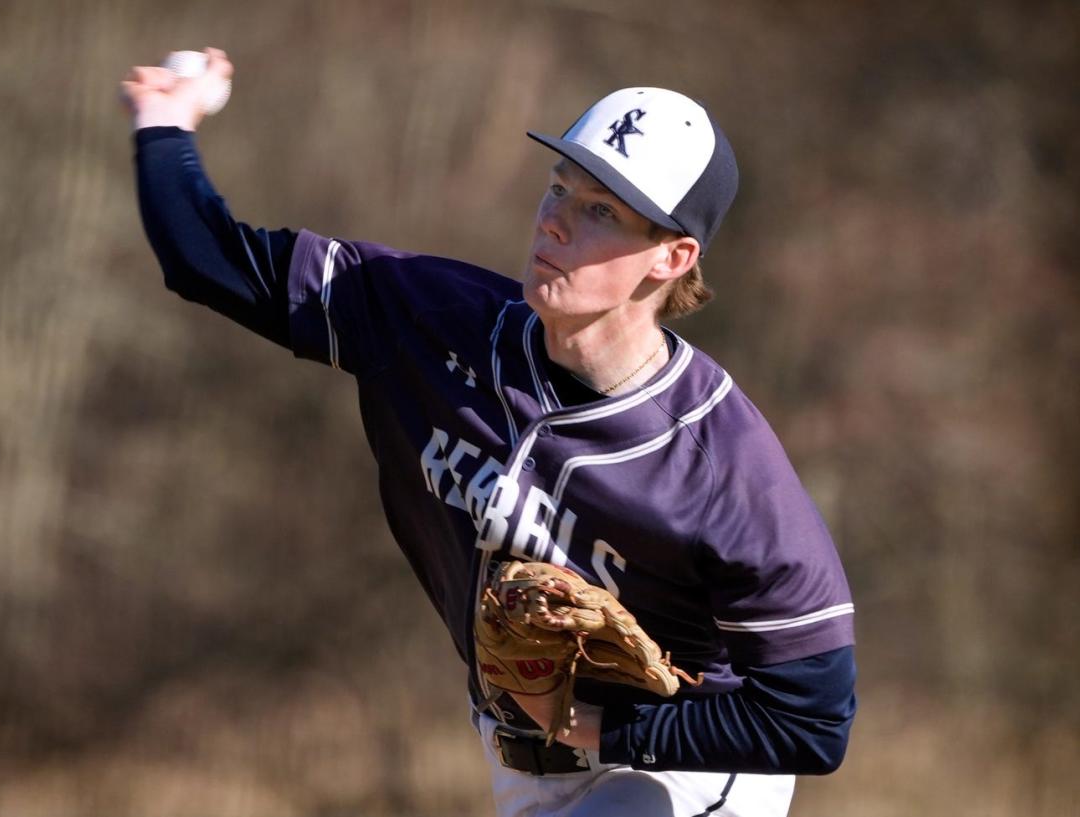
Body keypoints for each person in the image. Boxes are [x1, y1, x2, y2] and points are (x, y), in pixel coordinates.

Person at [121, 47, 857, 817]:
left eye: (601, 210)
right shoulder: (433, 321)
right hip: (522, 768)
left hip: (683, 769)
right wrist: (164, 121)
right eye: (559, 187)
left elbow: (813, 719)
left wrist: (607, 726)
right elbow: (209, 260)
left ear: (673, 257)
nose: (556, 221)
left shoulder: (725, 470)